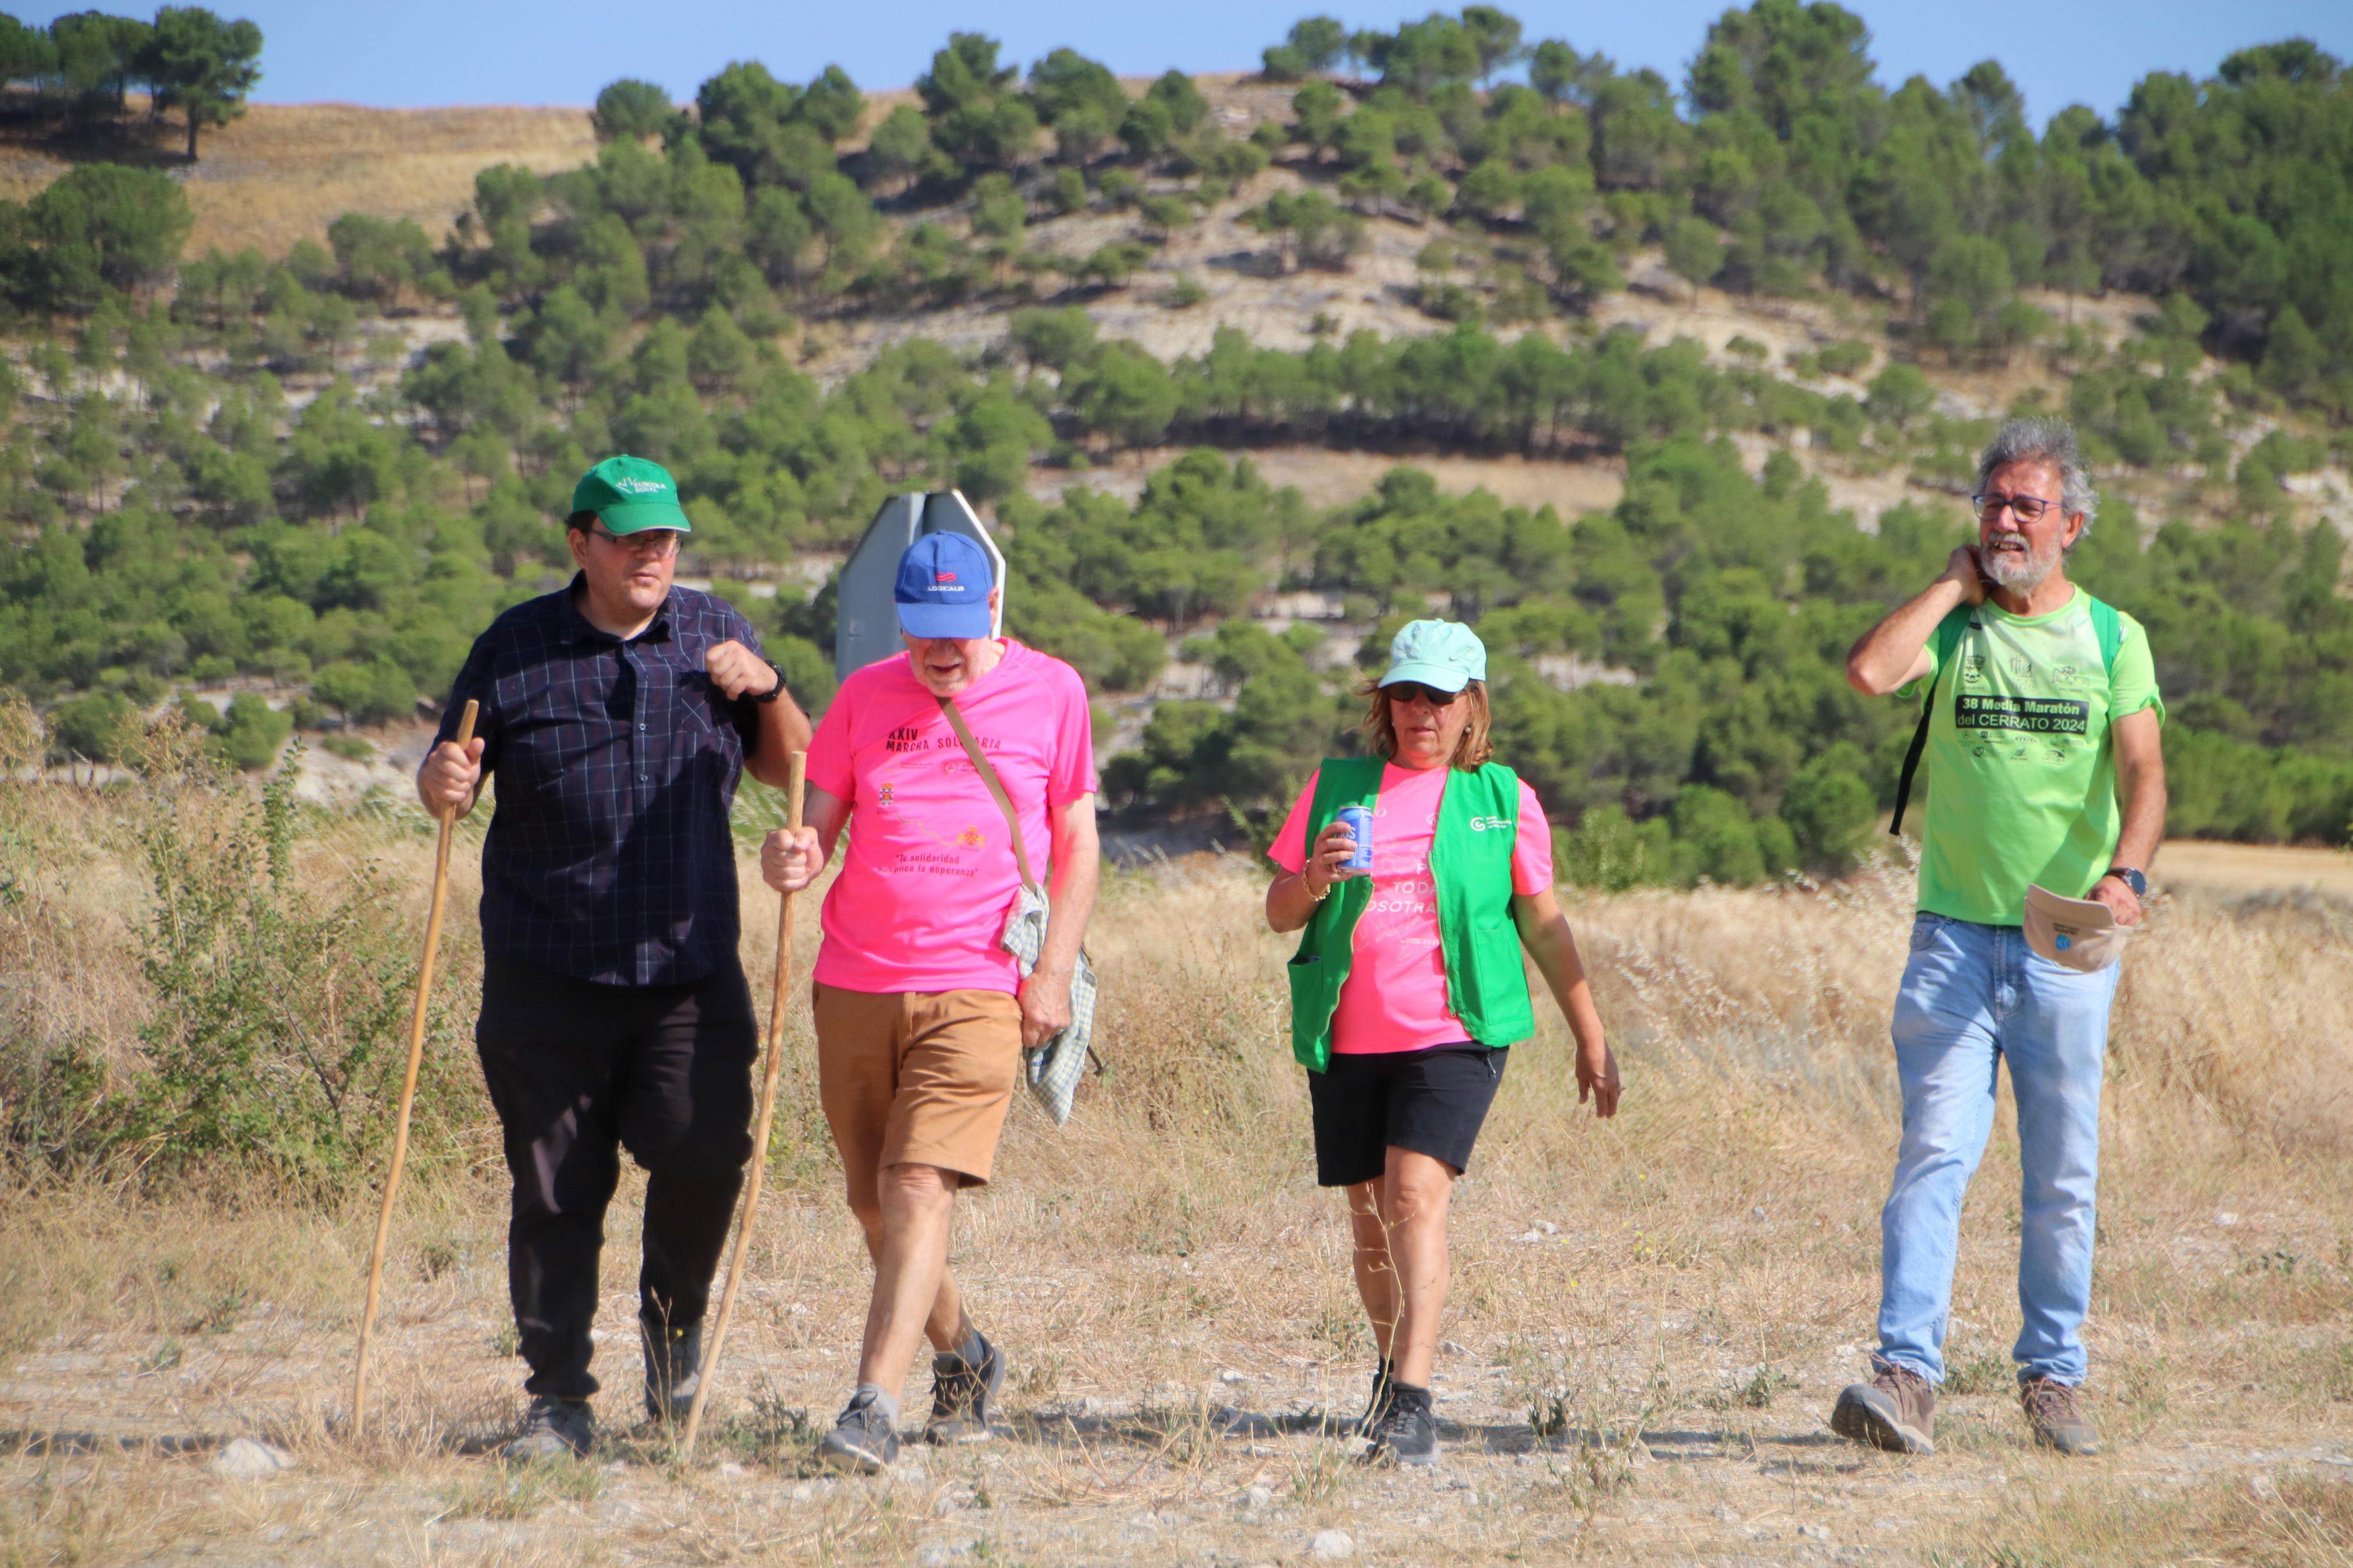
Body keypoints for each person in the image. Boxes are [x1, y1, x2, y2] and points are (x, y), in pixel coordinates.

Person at [416, 455, 812, 1459]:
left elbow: (792, 763)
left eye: (667, 538)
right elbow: (448, 768)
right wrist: (444, 781)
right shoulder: (517, 646)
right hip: (545, 968)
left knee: (706, 1149)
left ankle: (672, 1341)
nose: (653, 555)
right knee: (555, 1189)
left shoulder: (719, 633)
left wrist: (765, 688)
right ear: (579, 541)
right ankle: (557, 1401)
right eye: (633, 537)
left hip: (688, 968)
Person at [1833, 417, 2166, 1459]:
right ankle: (1906, 1377)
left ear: (2073, 524)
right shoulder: (1959, 627)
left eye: (2028, 505)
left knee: (2064, 1172)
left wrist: (2129, 874)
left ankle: (2055, 1378)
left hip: (2065, 941)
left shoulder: (2113, 637)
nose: (2008, 520)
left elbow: (2146, 776)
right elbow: (1872, 675)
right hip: (1950, 941)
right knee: (1935, 1152)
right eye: (1993, 503)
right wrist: (1950, 586)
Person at [760, 531, 1099, 1475]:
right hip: (857, 980)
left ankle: (874, 1405)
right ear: (901, 620)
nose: (942, 653)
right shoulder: (866, 696)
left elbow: (1079, 842)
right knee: (876, 1207)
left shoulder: (1052, 691)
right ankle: (968, 1357)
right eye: (924, 635)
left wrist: (1053, 975)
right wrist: (787, 858)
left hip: (982, 981)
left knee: (918, 1187)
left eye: (960, 631)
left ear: (993, 608)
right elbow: (811, 834)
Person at [1265, 619, 1620, 1467]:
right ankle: (1390, 1380)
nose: (1421, 711)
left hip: (1455, 1032)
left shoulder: (1504, 799)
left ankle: (1415, 1401)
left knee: (1414, 1197)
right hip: (1345, 1029)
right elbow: (1279, 910)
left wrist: (1591, 1033)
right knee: (1368, 1221)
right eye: (1406, 694)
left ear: (1472, 708)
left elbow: (1544, 923)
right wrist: (1313, 878)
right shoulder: (1336, 784)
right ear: (1384, 703)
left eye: (1440, 696)